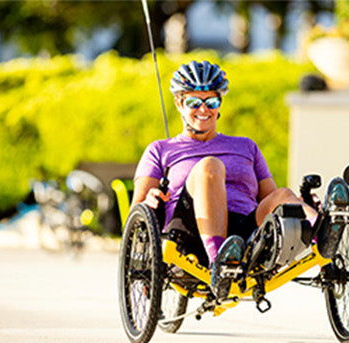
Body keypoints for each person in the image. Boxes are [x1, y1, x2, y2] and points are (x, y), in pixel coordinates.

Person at [133, 60, 316, 300]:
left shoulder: (246, 146)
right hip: (190, 233)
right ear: (179, 103)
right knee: (210, 166)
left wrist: (299, 205)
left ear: (220, 104)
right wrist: (149, 199)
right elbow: (136, 214)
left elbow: (269, 199)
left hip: (244, 234)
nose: (203, 109)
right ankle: (219, 262)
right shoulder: (161, 150)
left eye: (211, 102)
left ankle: (323, 230)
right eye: (193, 102)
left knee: (283, 195)